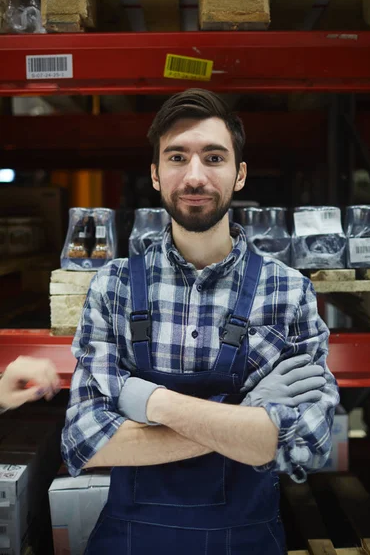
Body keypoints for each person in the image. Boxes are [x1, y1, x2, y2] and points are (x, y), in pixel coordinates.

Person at [62, 89, 340, 555]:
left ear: (240, 174)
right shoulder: (113, 287)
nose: (194, 176)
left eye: (214, 157)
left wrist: (148, 402)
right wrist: (247, 421)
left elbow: (308, 446)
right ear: (155, 174)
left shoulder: (288, 292)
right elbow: (87, 441)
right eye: (176, 157)